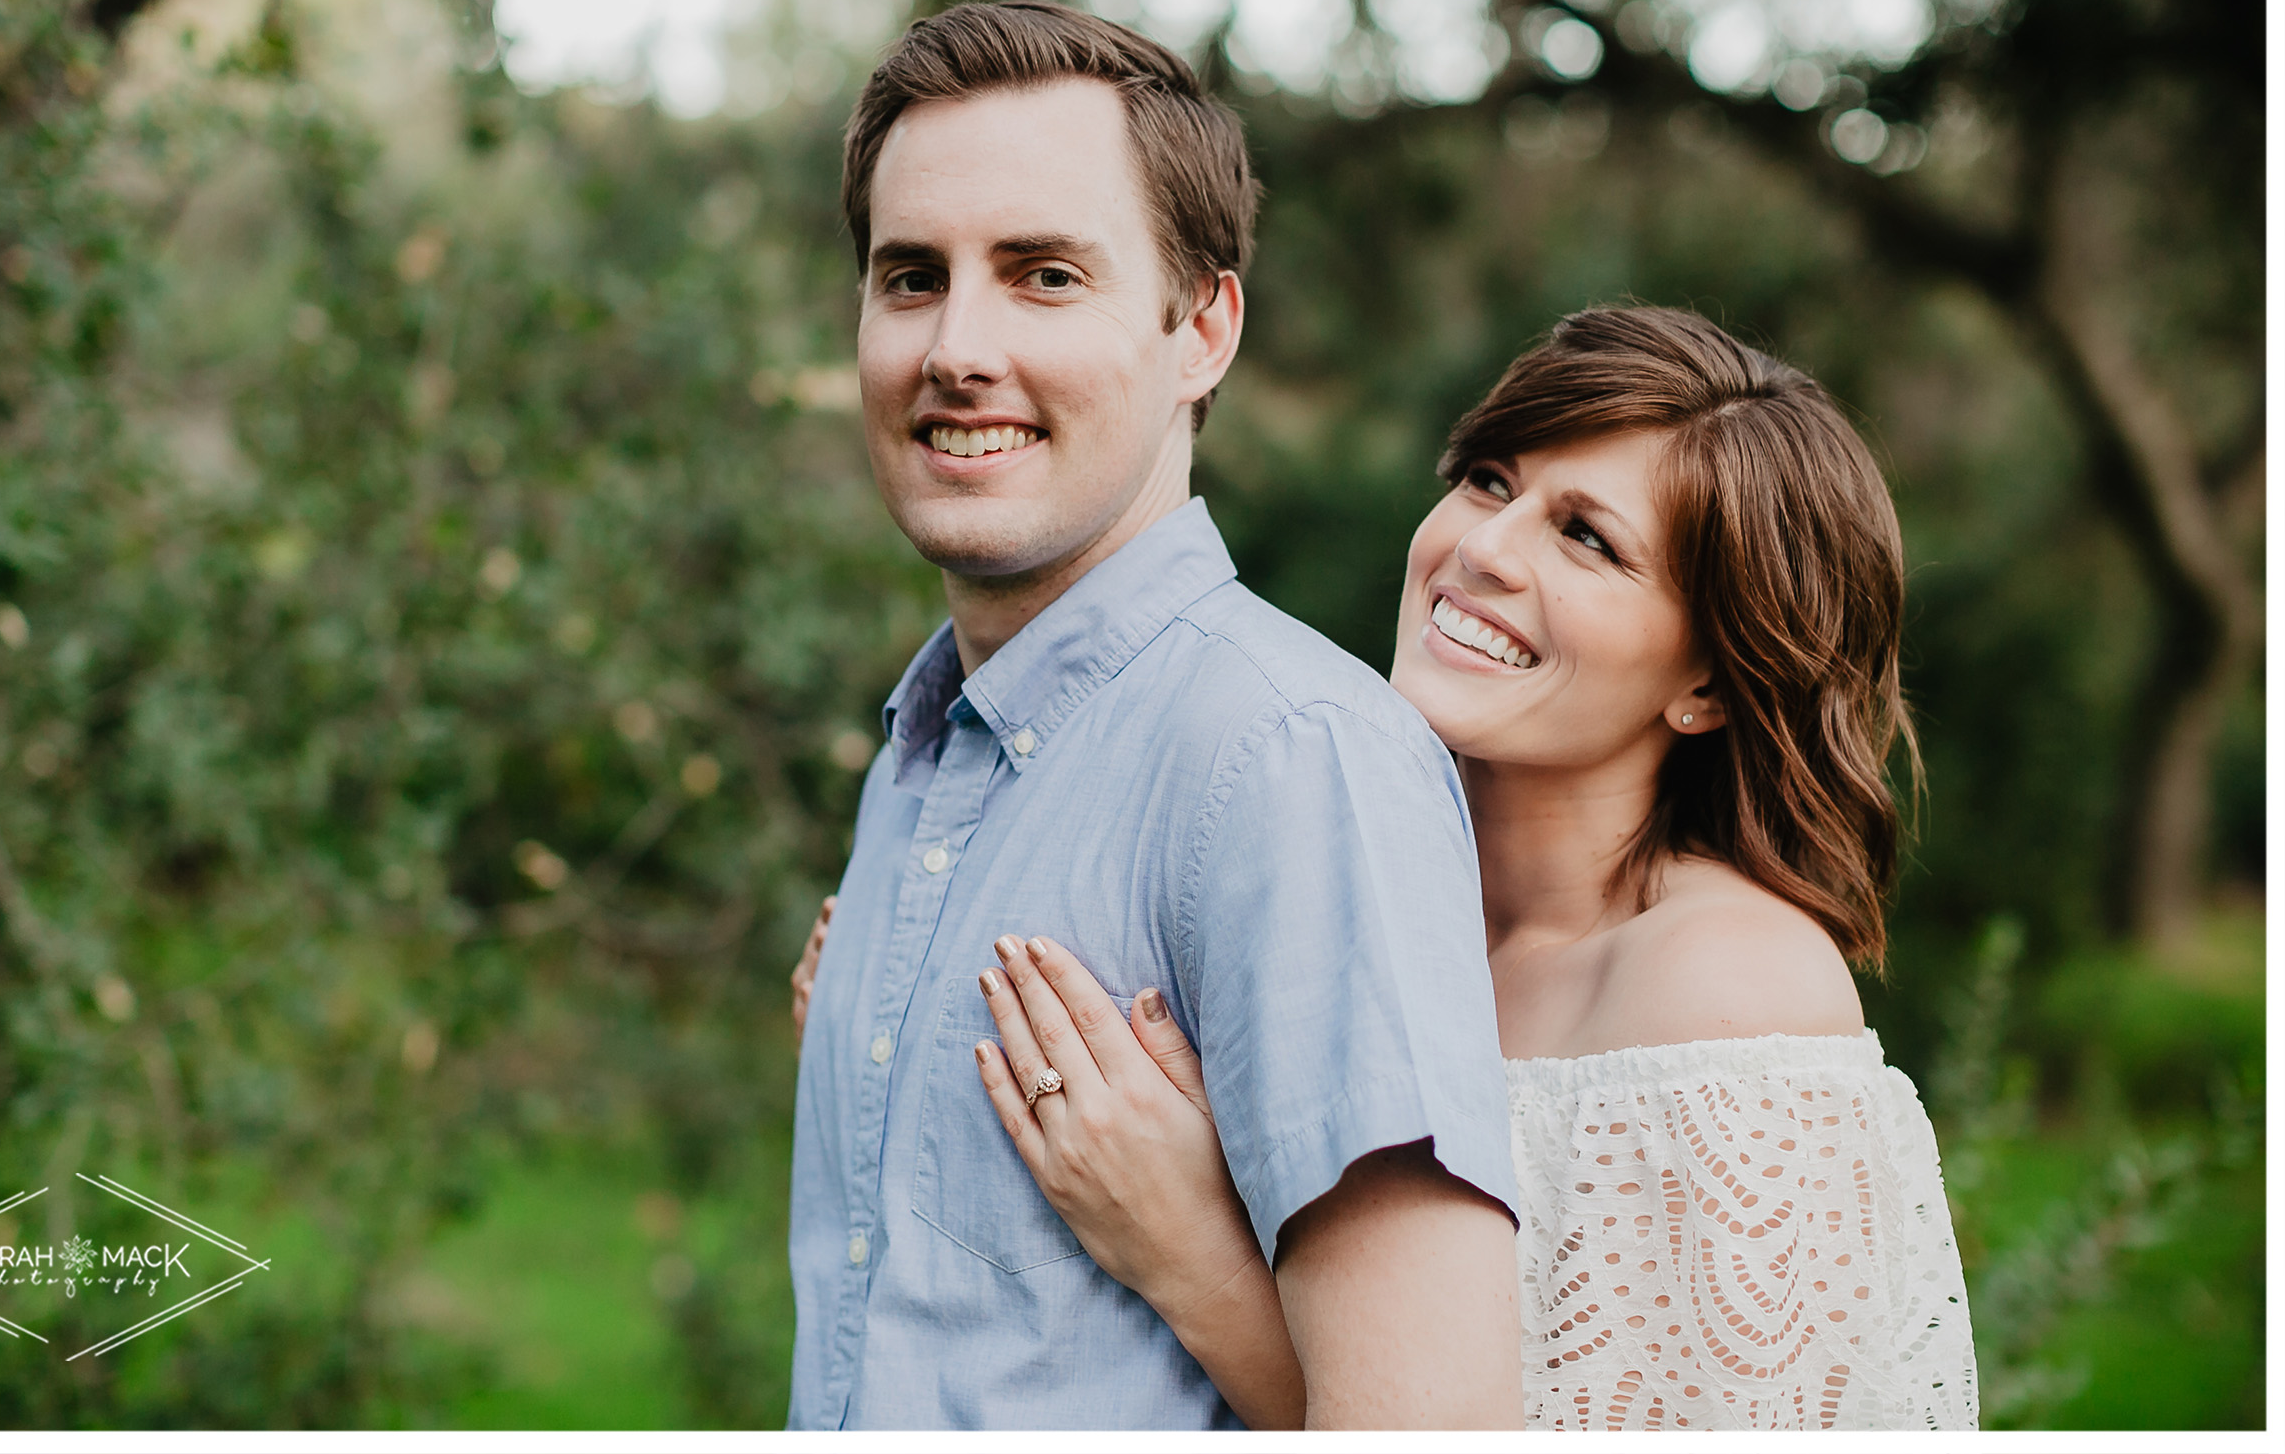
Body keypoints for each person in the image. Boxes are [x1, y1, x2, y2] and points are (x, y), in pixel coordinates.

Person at [795, 306, 1983, 1430]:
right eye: (1488, 482)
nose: (1483, 550)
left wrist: (1190, 1252)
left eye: (1586, 538)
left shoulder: (1726, 986)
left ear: (1709, 682)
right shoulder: (1331, 884)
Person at [784, 0, 1522, 1430]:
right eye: (911, 276)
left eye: (1044, 274)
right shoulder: (924, 760)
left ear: (1201, 329)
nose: (957, 348)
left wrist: (1191, 1256)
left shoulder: (1291, 759)